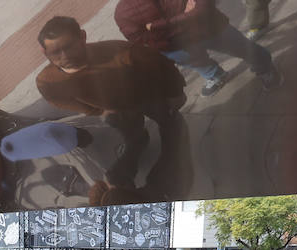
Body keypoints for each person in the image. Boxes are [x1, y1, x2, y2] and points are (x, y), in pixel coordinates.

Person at [35, 16, 188, 195]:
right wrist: (97, 110)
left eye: (69, 47)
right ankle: (135, 149)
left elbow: (163, 67)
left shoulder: (124, 53)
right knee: (131, 136)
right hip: (116, 110)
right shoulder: (47, 82)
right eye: (56, 52)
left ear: (82, 37)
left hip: (150, 97)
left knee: (171, 128)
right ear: (44, 53)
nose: (65, 56)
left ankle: (170, 162)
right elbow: (59, 100)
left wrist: (175, 93)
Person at [115, 0, 281, 96]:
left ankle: (264, 67)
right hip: (176, 45)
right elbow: (139, 38)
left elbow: (204, 6)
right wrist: (187, 15)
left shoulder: (124, 13)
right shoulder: (123, 12)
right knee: (197, 63)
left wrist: (158, 26)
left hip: (210, 29)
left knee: (244, 49)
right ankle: (216, 75)